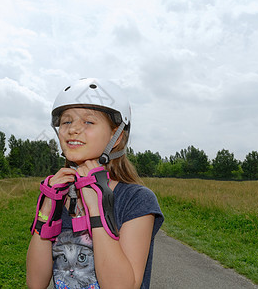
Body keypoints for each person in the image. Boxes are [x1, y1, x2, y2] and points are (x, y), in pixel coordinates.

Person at [26, 78, 164, 289]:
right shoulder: (58, 194)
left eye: (88, 122)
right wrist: (47, 211)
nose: (73, 129)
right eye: (66, 121)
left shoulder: (136, 199)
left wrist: (97, 209)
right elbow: (36, 283)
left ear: (115, 136)